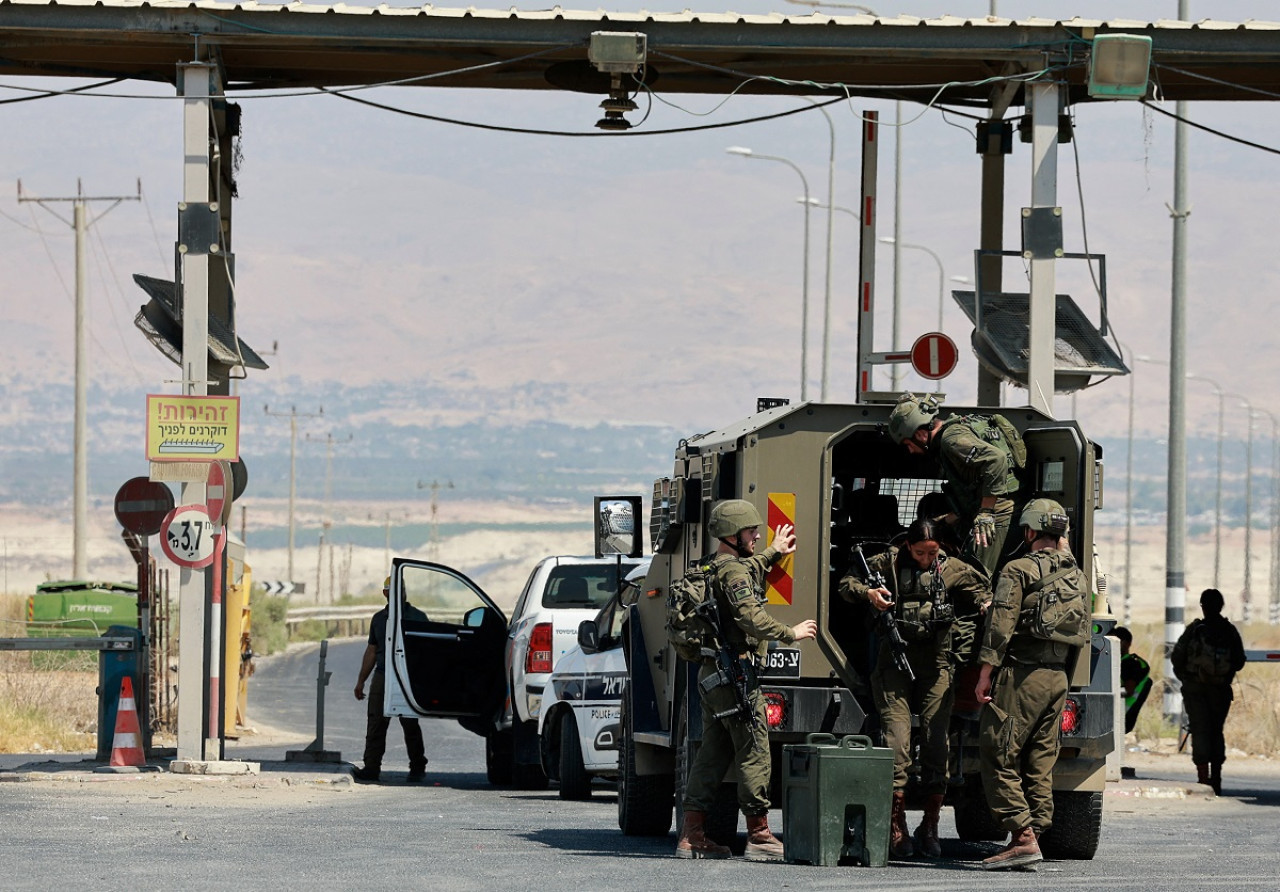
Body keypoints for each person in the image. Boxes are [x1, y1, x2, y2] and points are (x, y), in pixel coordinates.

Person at [676, 499, 819, 862]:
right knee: (755, 747)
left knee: (712, 753)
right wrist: (791, 632)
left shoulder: (713, 566)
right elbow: (750, 616)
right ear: (732, 535)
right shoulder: (733, 573)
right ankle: (758, 834)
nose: (757, 535)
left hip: (712, 675)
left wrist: (772, 552)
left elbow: (745, 569)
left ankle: (692, 835)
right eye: (751, 531)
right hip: (734, 674)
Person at [839, 518, 991, 859]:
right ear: (908, 546)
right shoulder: (886, 563)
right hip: (894, 663)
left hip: (936, 664)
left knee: (938, 743)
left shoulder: (952, 568)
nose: (925, 558)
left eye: (932, 552)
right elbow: (846, 584)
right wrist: (869, 594)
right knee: (897, 743)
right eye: (920, 552)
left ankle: (931, 823)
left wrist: (985, 605)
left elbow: (983, 592)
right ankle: (897, 825)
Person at [974, 499, 1088, 871]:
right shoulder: (1076, 572)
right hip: (1058, 677)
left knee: (997, 750)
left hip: (1023, 675)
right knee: (1040, 760)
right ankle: (1034, 831)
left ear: (1028, 531)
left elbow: (1000, 627)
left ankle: (1022, 836)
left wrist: (984, 674)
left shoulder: (1017, 569)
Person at [887, 393, 1025, 577]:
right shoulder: (950, 440)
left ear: (920, 434)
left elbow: (996, 460)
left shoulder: (950, 439)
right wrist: (940, 523)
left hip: (998, 514)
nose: (910, 451)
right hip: (992, 511)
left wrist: (986, 513)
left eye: (908, 444)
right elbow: (970, 500)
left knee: (973, 580)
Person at [1171, 588, 1246, 795]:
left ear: (1203, 606)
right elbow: (1239, 661)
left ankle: (1203, 779)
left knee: (1200, 730)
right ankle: (1217, 777)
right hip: (1220, 690)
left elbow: (1177, 657)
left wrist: (1187, 678)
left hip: (1195, 689)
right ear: (1221, 606)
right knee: (1216, 730)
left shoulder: (1195, 629)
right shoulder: (1229, 630)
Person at [353, 576, 428, 783]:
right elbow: (371, 650)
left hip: (407, 677)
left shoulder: (418, 617)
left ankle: (417, 767)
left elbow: (427, 652)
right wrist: (361, 681)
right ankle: (371, 768)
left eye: (399, 589)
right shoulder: (378, 619)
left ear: (404, 592)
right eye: (392, 590)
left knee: (410, 723)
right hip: (383, 675)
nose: (396, 593)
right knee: (376, 723)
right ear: (385, 593)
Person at [1112, 626, 1152, 735]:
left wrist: (1104, 695)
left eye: (1115, 641)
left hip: (1119, 715)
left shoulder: (1131, 664)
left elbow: (1128, 690)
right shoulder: (1115, 661)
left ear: (1126, 644)